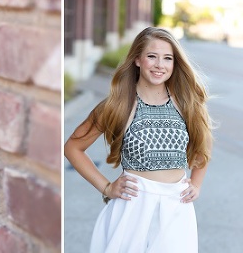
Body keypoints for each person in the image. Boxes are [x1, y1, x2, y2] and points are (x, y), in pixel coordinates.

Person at [64, 26, 212, 253]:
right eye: (152, 56)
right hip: (133, 207)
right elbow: (73, 147)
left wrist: (197, 183)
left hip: (177, 208)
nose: (159, 65)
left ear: (174, 63)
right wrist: (106, 187)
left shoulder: (187, 104)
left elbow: (203, 145)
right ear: (137, 60)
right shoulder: (118, 105)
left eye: (167, 58)